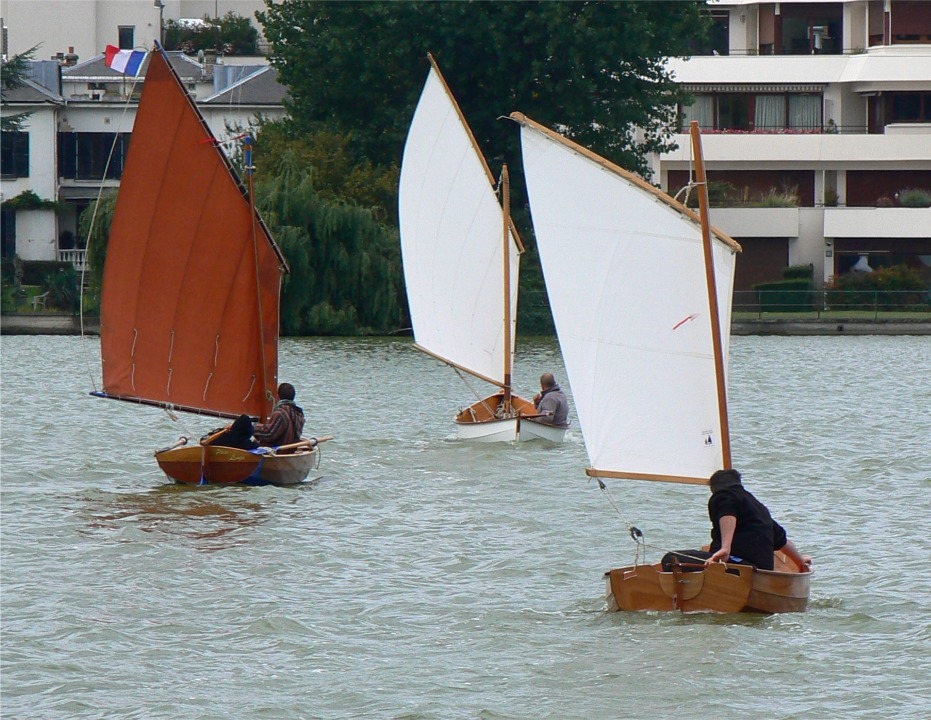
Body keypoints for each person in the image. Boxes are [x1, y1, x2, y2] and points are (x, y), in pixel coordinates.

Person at [662, 469, 811, 573]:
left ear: (714, 488)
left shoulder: (724, 496)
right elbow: (782, 540)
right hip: (762, 570)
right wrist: (800, 562)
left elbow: (728, 511)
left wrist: (725, 548)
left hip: (739, 565)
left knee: (670, 558)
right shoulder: (758, 507)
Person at [253, 382, 306, 447]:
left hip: (280, 450)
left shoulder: (280, 413)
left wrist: (253, 428)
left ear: (278, 396)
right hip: (290, 447)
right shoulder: (298, 413)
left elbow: (269, 434)